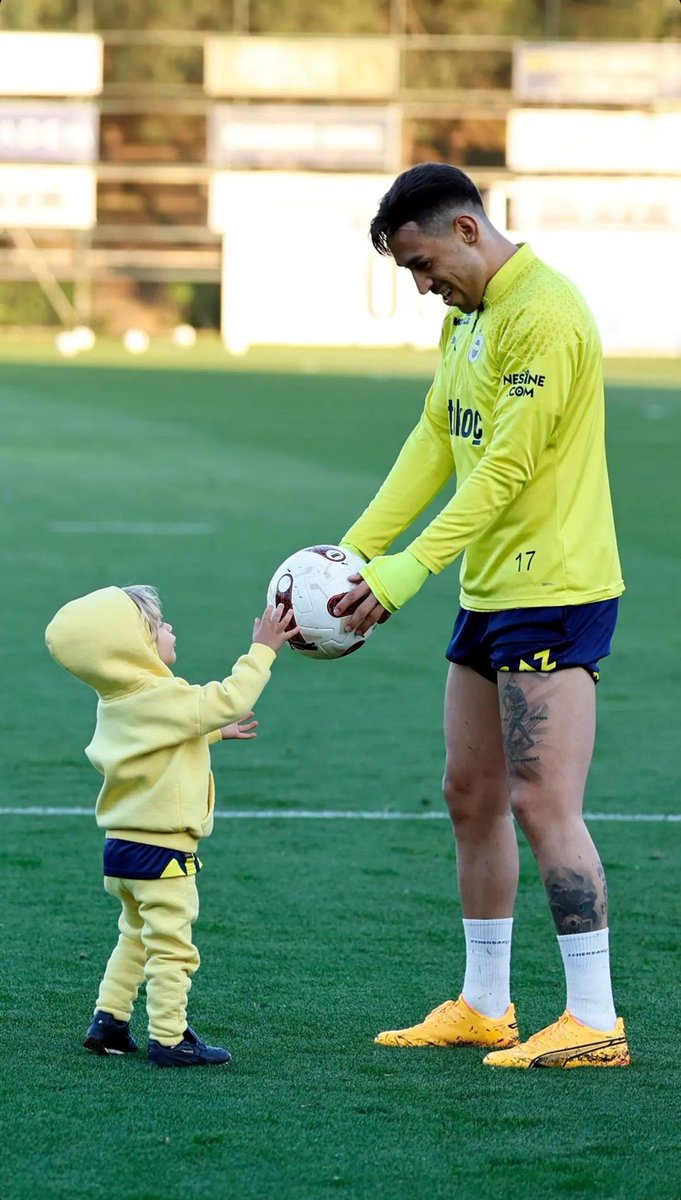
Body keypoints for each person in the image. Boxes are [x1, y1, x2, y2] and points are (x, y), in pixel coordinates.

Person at [335, 163, 630, 1069]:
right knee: (470, 795)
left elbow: (503, 470)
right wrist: (351, 553)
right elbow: (436, 436)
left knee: (544, 802)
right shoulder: (467, 317)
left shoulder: (544, 313)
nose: (423, 287)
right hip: (491, 588)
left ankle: (593, 1020)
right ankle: (484, 1003)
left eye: (424, 265)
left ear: (466, 231)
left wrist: (405, 573)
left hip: (555, 589)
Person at [45, 584, 298, 1068]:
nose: (170, 629)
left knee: (135, 937)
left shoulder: (117, 700)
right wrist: (264, 647)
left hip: (122, 849)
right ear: (133, 646)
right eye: (159, 625)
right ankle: (169, 1037)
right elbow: (228, 698)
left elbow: (155, 749)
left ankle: (110, 1022)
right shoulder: (159, 694)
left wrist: (212, 735)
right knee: (173, 949)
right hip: (162, 853)